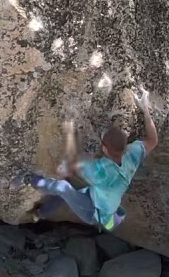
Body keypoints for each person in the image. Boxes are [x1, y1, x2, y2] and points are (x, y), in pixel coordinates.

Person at [12, 86, 158, 232]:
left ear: (105, 149)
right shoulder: (132, 155)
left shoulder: (99, 171)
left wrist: (70, 133)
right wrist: (145, 109)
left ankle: (28, 178)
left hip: (93, 212)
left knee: (64, 188)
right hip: (104, 201)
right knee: (73, 190)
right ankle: (41, 213)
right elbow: (153, 140)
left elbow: (65, 168)